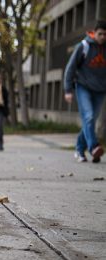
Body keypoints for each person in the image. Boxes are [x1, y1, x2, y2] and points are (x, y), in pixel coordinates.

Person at [64, 20, 106, 163]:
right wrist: (68, 90)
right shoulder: (84, 46)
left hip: (100, 90)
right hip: (83, 87)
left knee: (91, 120)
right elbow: (70, 68)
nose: (102, 37)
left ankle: (79, 149)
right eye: (100, 34)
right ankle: (94, 147)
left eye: (105, 35)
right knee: (88, 117)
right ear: (94, 33)